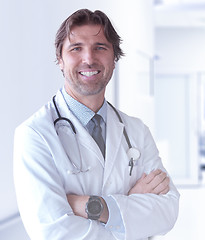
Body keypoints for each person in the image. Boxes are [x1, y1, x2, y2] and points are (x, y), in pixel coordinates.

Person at [13, 9, 179, 240]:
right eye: (76, 48)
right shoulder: (35, 134)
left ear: (114, 58)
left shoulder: (136, 130)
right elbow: (52, 232)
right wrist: (129, 207)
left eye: (100, 47)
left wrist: (92, 206)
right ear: (60, 59)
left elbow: (167, 211)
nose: (89, 59)